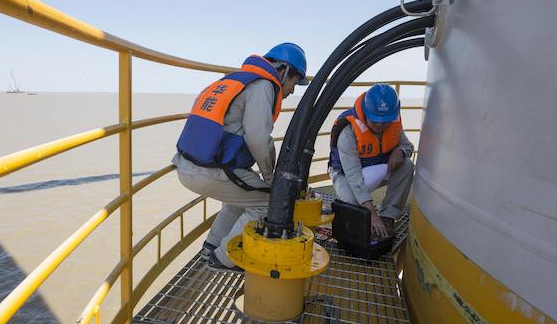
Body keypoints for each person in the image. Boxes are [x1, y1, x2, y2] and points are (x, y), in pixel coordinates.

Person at [173, 43, 308, 271]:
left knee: (240, 198)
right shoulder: (264, 85)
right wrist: (269, 177)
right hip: (209, 171)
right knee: (268, 203)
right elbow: (258, 138)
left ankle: (211, 246)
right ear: (284, 71)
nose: (292, 91)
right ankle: (225, 258)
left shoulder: (232, 80)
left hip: (188, 165)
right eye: (295, 82)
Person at [328, 84, 414, 238]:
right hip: (346, 175)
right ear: (365, 113)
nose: (380, 126)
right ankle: (369, 220)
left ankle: (388, 217)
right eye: (374, 121)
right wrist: (372, 214)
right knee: (351, 200)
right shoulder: (348, 130)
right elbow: (354, 176)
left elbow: (407, 146)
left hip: (374, 169)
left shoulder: (393, 124)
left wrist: (400, 151)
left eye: (385, 121)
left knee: (407, 165)